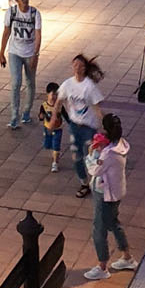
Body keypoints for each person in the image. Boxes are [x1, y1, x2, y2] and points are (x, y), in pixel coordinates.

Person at [83, 113, 138, 280]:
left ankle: (102, 266)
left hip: (105, 194)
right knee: (114, 223)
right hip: (116, 191)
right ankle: (127, 257)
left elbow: (95, 170)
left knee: (99, 229)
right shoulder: (120, 145)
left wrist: (91, 154)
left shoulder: (109, 154)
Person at [50, 54, 105, 197]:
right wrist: (53, 118)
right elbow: (59, 102)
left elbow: (97, 107)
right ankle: (84, 183)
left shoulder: (89, 86)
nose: (77, 68)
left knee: (91, 156)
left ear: (85, 68)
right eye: (75, 65)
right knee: (76, 156)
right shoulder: (67, 84)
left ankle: (97, 181)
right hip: (75, 125)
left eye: (80, 66)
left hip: (89, 127)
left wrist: (104, 125)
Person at [0, 0, 42, 128]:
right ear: (17, 0)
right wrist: (1, 53)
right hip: (15, 52)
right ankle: (14, 115)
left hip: (29, 52)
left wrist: (36, 54)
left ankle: (26, 112)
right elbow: (6, 32)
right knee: (16, 82)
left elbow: (38, 34)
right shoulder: (11, 13)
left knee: (30, 82)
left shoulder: (35, 13)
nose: (25, 0)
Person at [39, 81, 62, 172]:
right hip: (47, 128)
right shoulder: (44, 106)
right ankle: (52, 150)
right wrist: (41, 116)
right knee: (47, 144)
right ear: (47, 94)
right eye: (53, 94)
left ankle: (55, 163)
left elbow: (66, 116)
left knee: (56, 145)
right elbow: (41, 115)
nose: (54, 97)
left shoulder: (60, 106)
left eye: (56, 94)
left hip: (58, 129)